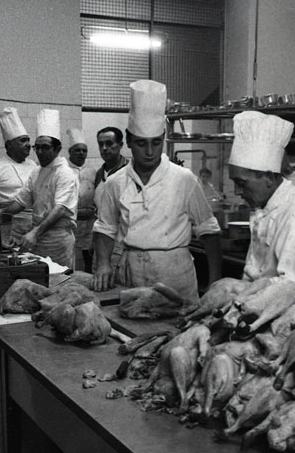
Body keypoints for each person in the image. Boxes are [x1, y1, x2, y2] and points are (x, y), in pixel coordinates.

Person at [92, 79, 222, 306]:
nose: (150, 152)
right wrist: (103, 263)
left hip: (174, 272)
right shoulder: (115, 182)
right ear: (129, 141)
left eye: (156, 143)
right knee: (132, 321)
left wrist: (215, 281)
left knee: (178, 323)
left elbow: (209, 230)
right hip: (131, 271)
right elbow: (105, 227)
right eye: (142, 144)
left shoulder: (184, 179)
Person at [228, 110, 295, 292]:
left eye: (241, 183)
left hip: (285, 307)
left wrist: (237, 291)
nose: (237, 191)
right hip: (254, 301)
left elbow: (289, 288)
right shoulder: (266, 209)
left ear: (268, 178)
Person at [0, 109, 79, 268]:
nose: (40, 152)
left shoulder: (65, 173)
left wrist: (35, 233)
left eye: (45, 147)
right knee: (39, 278)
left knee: (59, 278)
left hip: (57, 240)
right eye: (37, 147)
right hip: (37, 238)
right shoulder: (37, 172)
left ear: (57, 149)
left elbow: (60, 209)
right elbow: (20, 202)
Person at [0, 107, 38, 244]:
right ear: (9, 144)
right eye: (23, 141)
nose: (28, 145)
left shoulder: (33, 165)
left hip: (33, 229)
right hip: (8, 228)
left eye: (28, 140)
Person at [67, 128, 96, 273]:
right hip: (71, 223)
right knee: (71, 257)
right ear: (70, 152)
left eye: (84, 150)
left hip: (89, 223)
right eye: (77, 150)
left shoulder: (92, 171)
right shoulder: (65, 171)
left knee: (89, 256)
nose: (81, 153)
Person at [94, 126, 128, 214]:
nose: (104, 148)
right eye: (101, 144)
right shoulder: (99, 174)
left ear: (120, 145)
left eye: (109, 143)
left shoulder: (130, 170)